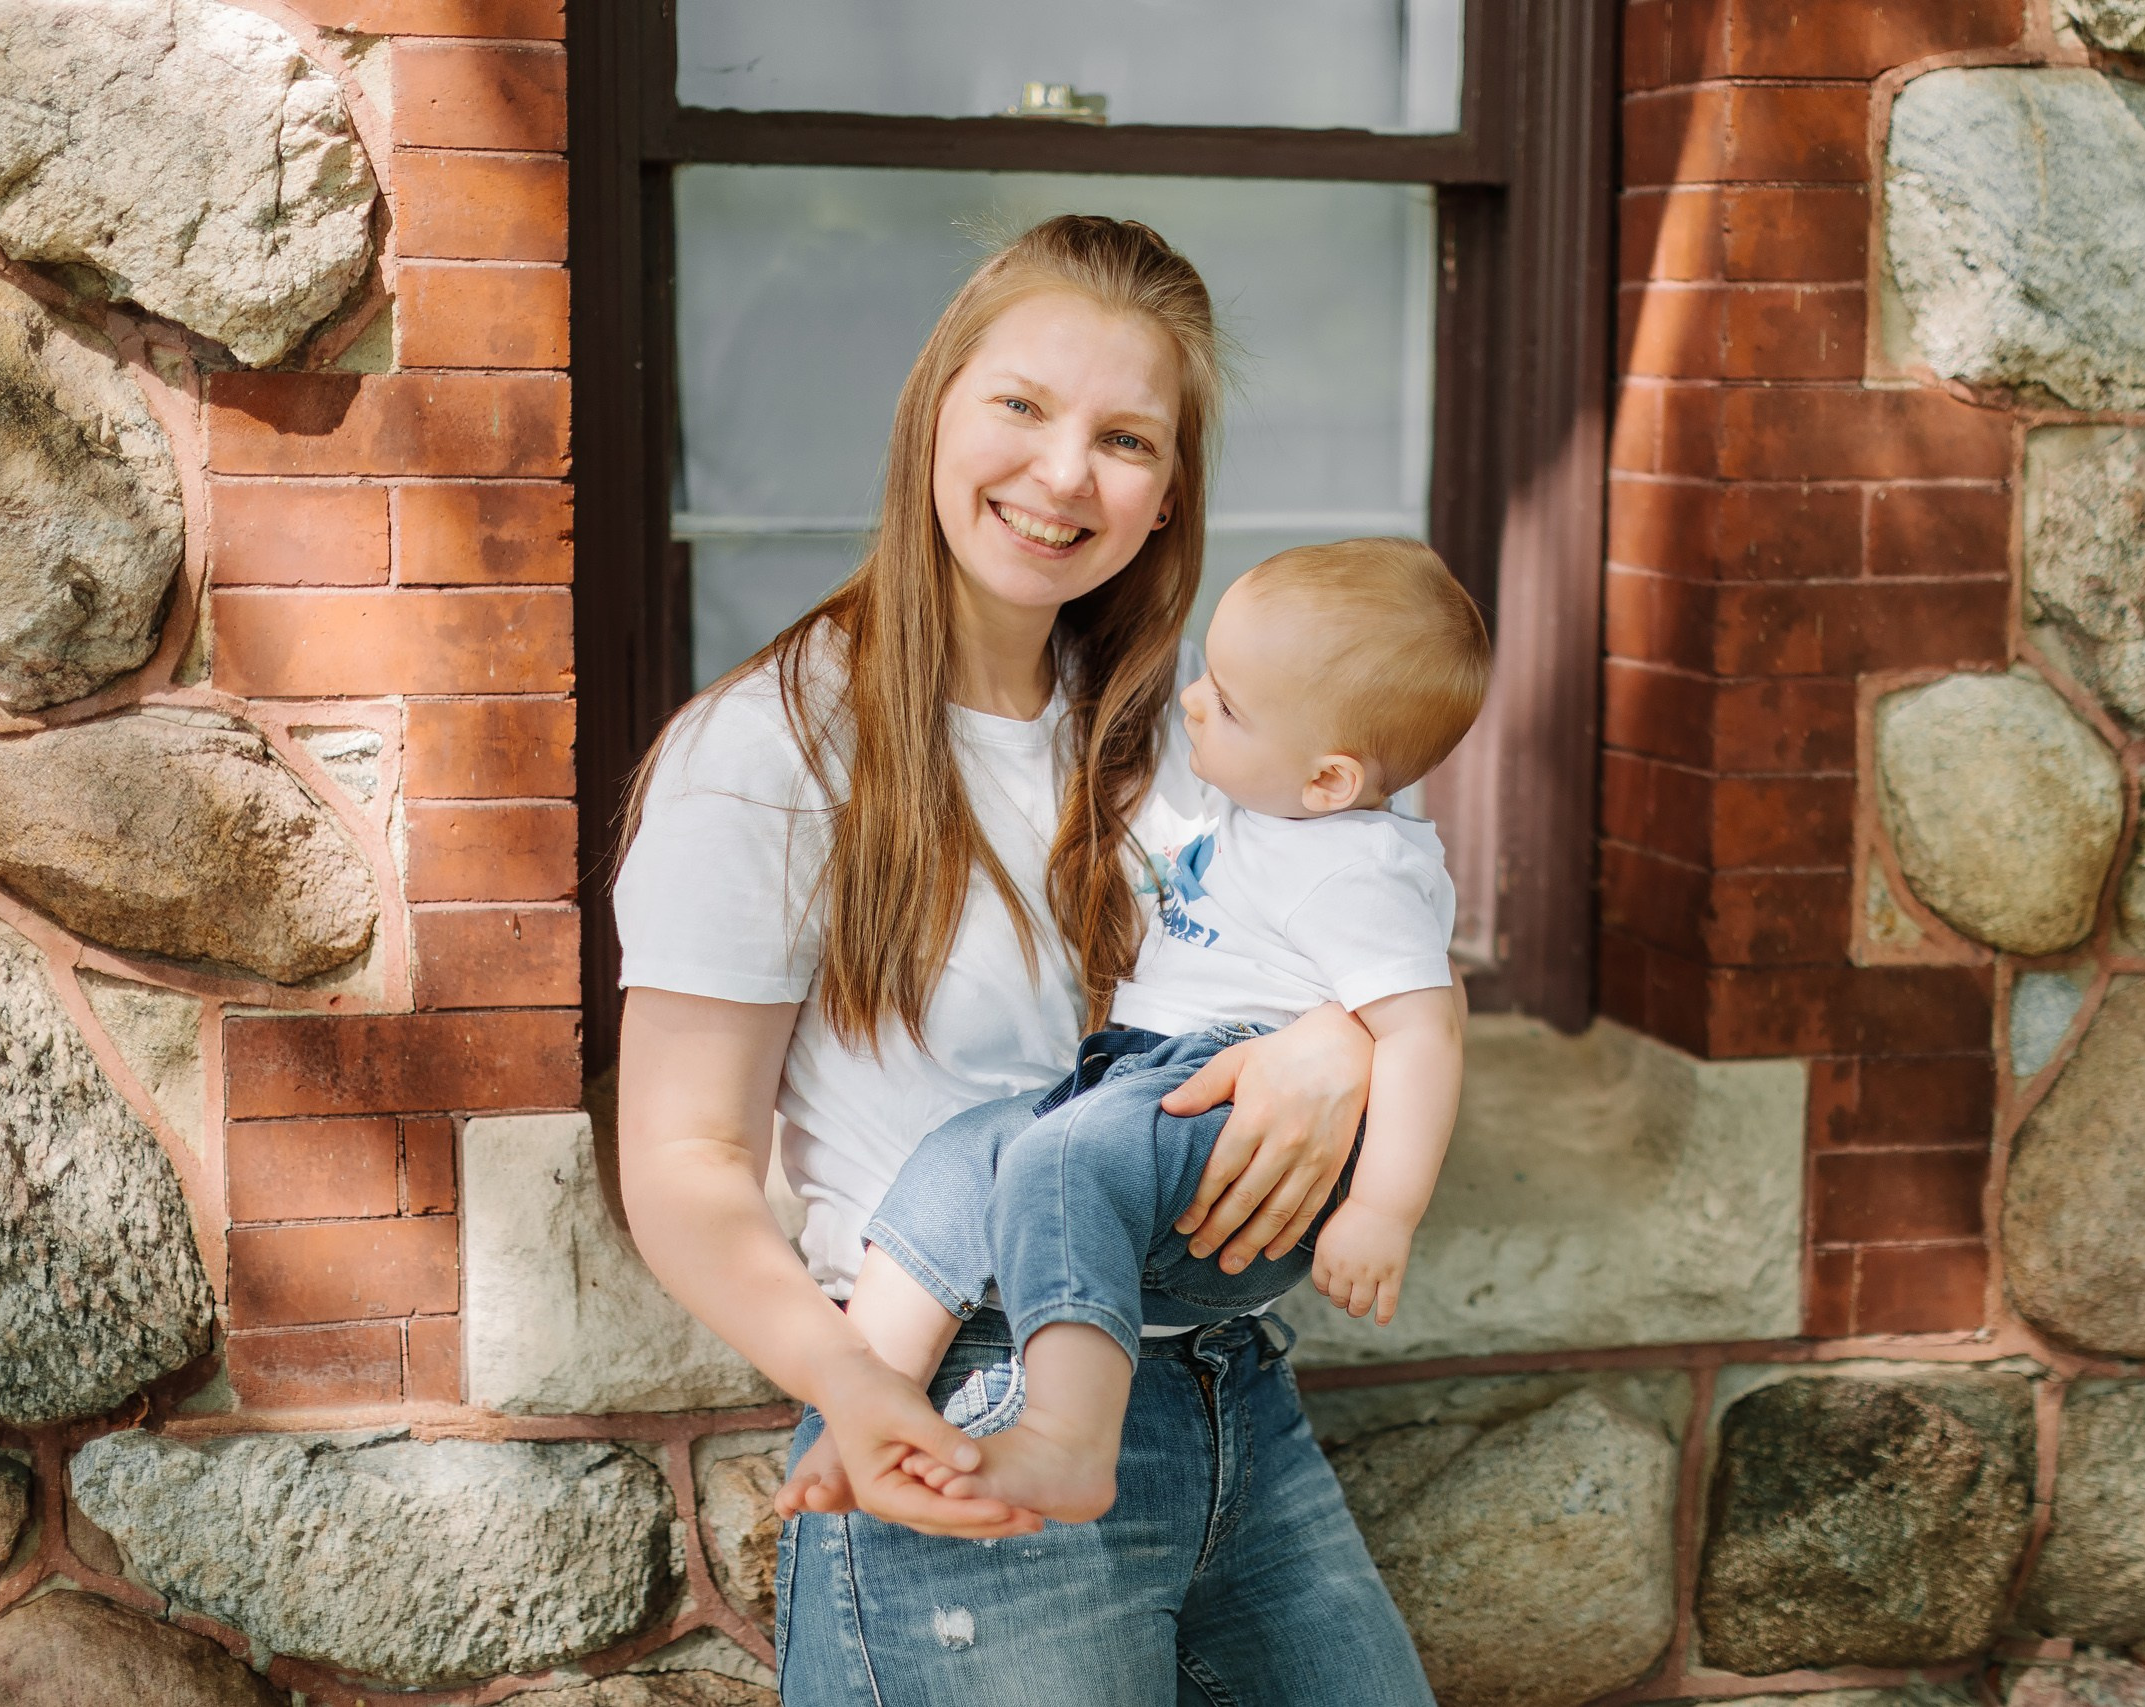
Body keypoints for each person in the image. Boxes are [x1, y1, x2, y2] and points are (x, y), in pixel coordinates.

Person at [612, 214, 1439, 1705]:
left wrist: (1341, 1043)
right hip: (964, 1402)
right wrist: (857, 1387)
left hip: (1229, 1387)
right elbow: (682, 1153)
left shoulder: (1185, 740)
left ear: (1169, 489)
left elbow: (1371, 939)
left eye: (1126, 437)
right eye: (1021, 406)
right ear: (937, 405)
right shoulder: (772, 750)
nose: (1065, 475)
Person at [802, 538, 1491, 1525]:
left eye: (1232, 703)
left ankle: (1068, 1441)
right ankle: (864, 1404)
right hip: (1136, 1091)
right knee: (962, 1156)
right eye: (1210, 671)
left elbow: (1425, 1033)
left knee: (1059, 1162)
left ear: (1330, 780)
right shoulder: (1268, 809)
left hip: (1219, 1124)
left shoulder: (1357, 869)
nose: (1194, 699)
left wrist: (1383, 1213)